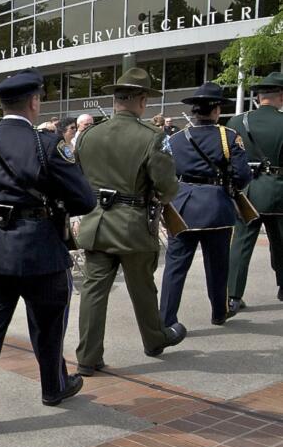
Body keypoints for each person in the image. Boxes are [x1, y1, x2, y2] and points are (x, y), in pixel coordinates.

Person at [0, 70, 95, 435]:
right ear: (34, 102)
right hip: (38, 248)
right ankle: (54, 387)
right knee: (48, 324)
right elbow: (84, 198)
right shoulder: (46, 144)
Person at [74, 67, 186, 375]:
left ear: (115, 100)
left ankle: (87, 356)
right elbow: (167, 186)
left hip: (96, 222)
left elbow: (79, 178)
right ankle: (154, 340)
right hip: (133, 224)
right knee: (142, 287)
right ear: (139, 99)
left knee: (94, 291)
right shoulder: (152, 137)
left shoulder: (88, 135)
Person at [160, 83, 252, 327]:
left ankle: (166, 320)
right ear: (216, 110)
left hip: (182, 206)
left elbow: (164, 172)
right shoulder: (229, 136)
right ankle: (218, 313)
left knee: (175, 267)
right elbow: (242, 175)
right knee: (218, 264)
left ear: (194, 111)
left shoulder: (174, 138)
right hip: (216, 206)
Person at [227, 71, 283, 313]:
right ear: (281, 95)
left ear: (259, 97)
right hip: (279, 189)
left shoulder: (237, 122)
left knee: (241, 243)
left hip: (247, 190)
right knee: (280, 243)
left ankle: (233, 296)